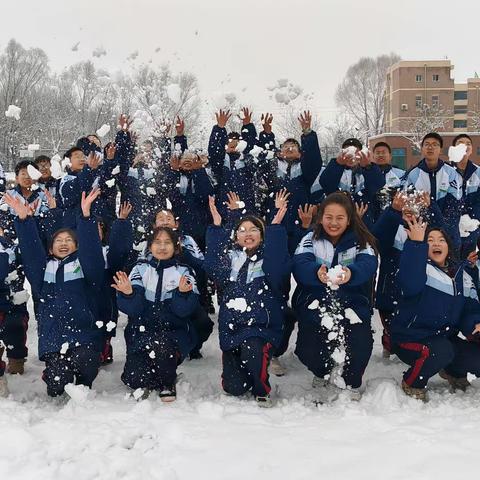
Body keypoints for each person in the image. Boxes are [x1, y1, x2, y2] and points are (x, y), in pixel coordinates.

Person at [5, 189, 105, 397]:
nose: (63, 243)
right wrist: (24, 220)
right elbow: (31, 253)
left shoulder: (84, 266)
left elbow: (93, 255)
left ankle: (85, 383)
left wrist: (86, 218)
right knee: (57, 386)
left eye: (69, 240)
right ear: (50, 249)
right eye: (58, 240)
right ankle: (55, 376)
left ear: (76, 246)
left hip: (83, 333)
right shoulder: (43, 270)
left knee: (85, 362)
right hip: (53, 336)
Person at [204, 196, 291, 407]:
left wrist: (276, 230)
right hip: (233, 328)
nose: (247, 234)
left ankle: (262, 389)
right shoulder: (232, 257)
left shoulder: (268, 258)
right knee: (234, 387)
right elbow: (214, 268)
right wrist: (216, 229)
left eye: (253, 229)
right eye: (242, 230)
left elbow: (279, 270)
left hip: (261, 328)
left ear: (262, 235)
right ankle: (242, 376)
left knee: (254, 350)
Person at [293, 192, 378, 402]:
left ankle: (351, 381)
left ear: (349, 219)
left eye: (340, 218)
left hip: (352, 302)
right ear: (320, 217)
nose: (333, 223)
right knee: (309, 349)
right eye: (329, 217)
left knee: (359, 342)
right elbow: (300, 264)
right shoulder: (310, 238)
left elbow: (368, 265)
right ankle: (321, 370)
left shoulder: (361, 240)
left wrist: (351, 274)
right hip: (315, 300)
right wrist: (316, 273)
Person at [390, 220, 480, 401]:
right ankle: (412, 382)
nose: (436, 243)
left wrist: (475, 323)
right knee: (441, 350)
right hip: (410, 338)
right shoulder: (419, 267)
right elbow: (410, 284)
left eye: (441, 240)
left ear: (449, 246)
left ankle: (453, 372)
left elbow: (470, 309)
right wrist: (416, 244)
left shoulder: (462, 275)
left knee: (472, 356)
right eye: (430, 240)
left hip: (443, 338)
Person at [114, 227, 199, 402]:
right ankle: (152, 373)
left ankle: (167, 381)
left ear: (175, 247)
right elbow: (133, 309)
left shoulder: (184, 271)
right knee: (133, 378)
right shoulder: (140, 269)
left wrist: (183, 294)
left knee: (162, 347)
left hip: (173, 333)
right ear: (150, 246)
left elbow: (184, 311)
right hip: (141, 332)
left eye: (167, 242)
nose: (162, 247)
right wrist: (128, 293)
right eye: (157, 242)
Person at [403, 132, 462, 247]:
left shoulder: (451, 173)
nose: (430, 147)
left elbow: (455, 206)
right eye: (427, 144)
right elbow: (410, 208)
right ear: (422, 149)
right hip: (422, 234)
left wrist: (443, 226)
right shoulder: (413, 175)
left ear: (440, 149)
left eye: (435, 144)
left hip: (448, 235)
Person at [319, 138, 385, 226]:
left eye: (355, 152)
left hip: (364, 223)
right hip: (337, 221)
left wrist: (368, 167)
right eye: (347, 151)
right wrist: (338, 163)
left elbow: (377, 186)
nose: (351, 156)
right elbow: (326, 184)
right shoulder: (336, 170)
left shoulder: (368, 171)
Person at [370, 141, 405, 221]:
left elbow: (403, 194)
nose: (381, 155)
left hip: (395, 217)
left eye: (383, 152)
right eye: (378, 153)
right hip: (373, 219)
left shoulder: (401, 174)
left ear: (390, 156)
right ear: (373, 156)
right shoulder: (367, 174)